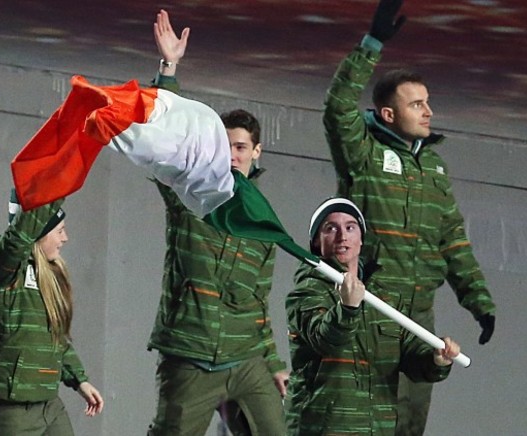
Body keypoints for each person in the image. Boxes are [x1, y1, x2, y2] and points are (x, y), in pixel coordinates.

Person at [322, 0, 496, 433]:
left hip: (420, 319)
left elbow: (453, 241)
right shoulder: (363, 154)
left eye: (427, 102)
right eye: (416, 104)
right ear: (388, 114)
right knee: (362, 421)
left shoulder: (434, 169)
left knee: (410, 423)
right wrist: (372, 43)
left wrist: (479, 303)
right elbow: (338, 106)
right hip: (371, 309)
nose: (428, 111)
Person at [146, 10, 287, 436]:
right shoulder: (189, 193)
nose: (232, 155)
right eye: (224, 146)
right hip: (190, 354)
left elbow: (258, 302)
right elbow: (161, 141)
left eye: (241, 147)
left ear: (256, 151)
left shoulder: (262, 218)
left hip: (246, 359)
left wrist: (274, 361)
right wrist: (168, 69)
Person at [285, 197, 461, 435]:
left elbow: (408, 353)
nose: (342, 236)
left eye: (350, 227)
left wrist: (436, 360)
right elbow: (326, 341)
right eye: (330, 228)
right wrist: (348, 308)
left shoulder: (385, 297)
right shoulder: (306, 291)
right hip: (323, 429)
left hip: (377, 428)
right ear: (317, 241)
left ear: (361, 240)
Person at [0, 191, 103, 436]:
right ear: (39, 232)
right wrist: (55, 189)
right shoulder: (2, 271)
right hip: (10, 410)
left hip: (47, 404)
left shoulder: (48, 274)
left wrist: (79, 379)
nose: (66, 238)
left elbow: (55, 337)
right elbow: (18, 238)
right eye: (59, 230)